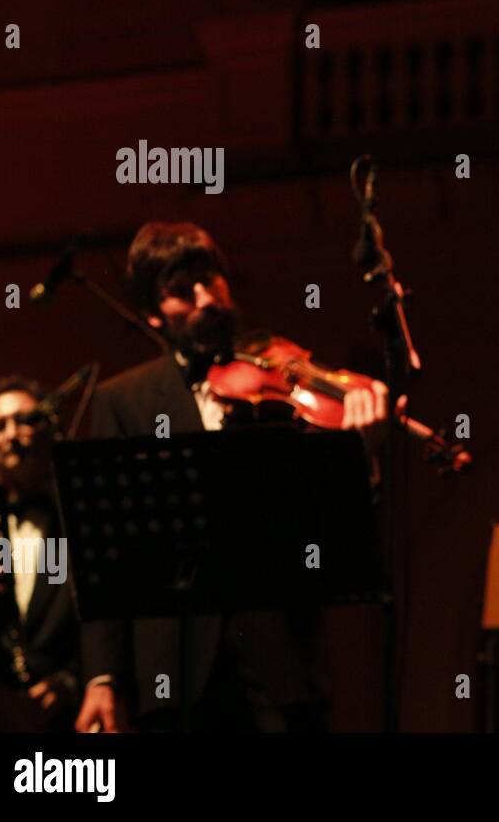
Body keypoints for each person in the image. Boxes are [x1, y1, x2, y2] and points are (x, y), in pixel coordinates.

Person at [74, 221, 389, 732]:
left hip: (281, 663)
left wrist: (360, 456)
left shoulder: (280, 377)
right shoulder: (122, 401)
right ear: (154, 312)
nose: (205, 298)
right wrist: (103, 677)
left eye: (210, 280)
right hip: (173, 669)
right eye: (182, 291)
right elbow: (104, 557)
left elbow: (328, 523)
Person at [0, 376, 80, 731]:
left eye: (25, 420)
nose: (12, 434)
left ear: (51, 431)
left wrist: (72, 682)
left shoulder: (78, 517)